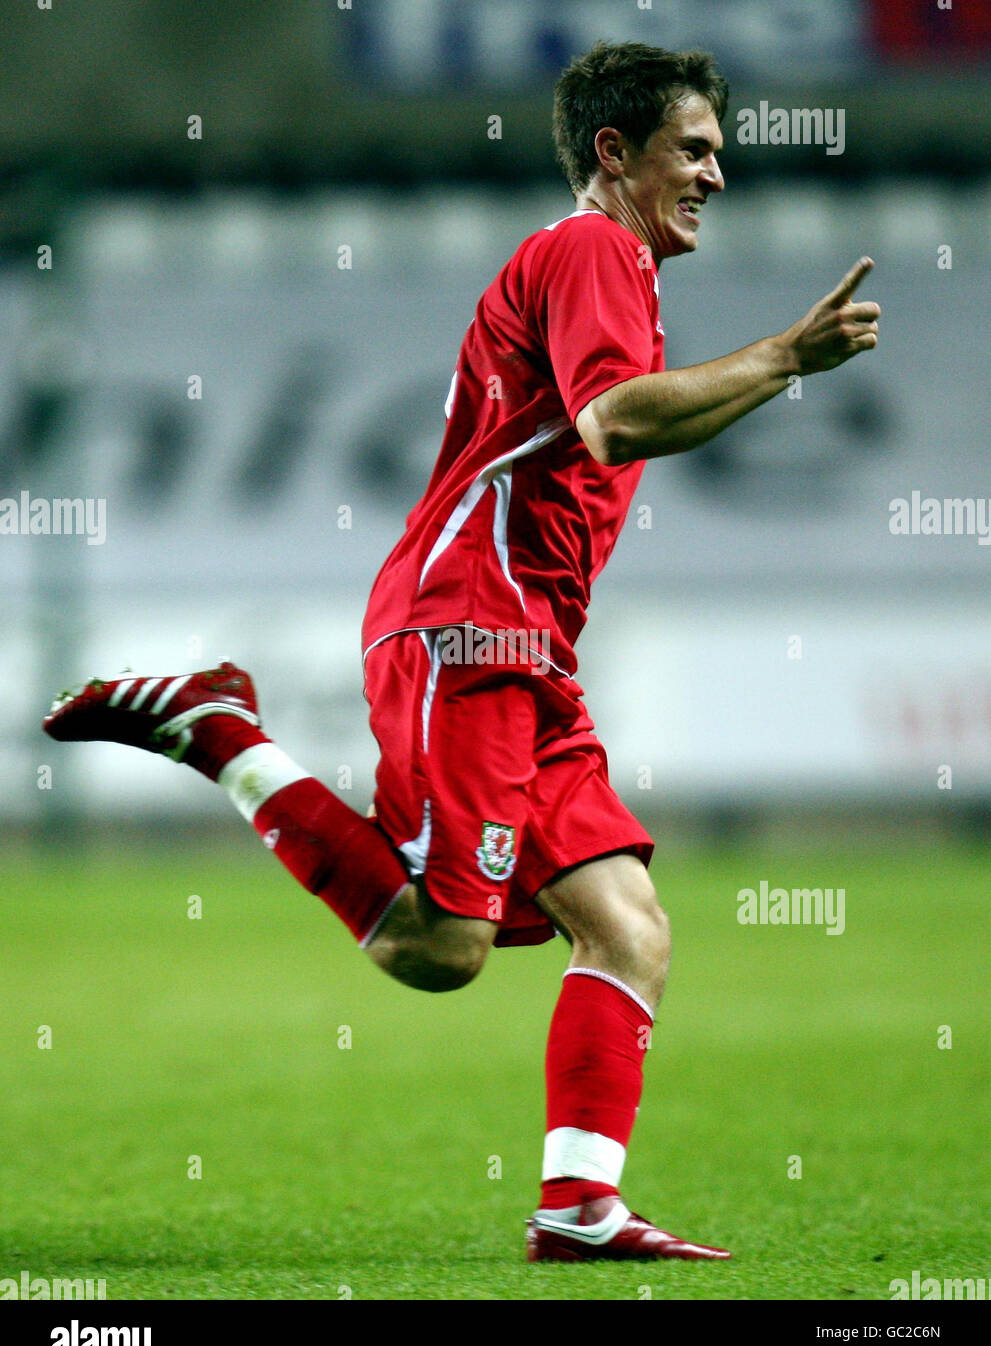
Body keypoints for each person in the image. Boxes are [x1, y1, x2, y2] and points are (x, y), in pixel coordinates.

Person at [43, 41, 880, 1262]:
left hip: (529, 646)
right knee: (440, 948)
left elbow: (625, 419)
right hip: (467, 626)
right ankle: (220, 731)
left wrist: (765, 372)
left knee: (628, 924)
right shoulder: (593, 247)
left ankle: (578, 1207)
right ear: (614, 153)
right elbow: (613, 419)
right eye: (692, 148)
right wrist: (782, 360)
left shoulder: (615, 270)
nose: (716, 171)